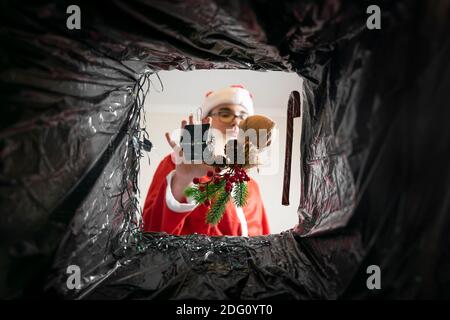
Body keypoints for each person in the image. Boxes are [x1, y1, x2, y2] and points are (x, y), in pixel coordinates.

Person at [142, 85, 270, 236]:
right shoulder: (177, 162)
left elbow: (265, 240)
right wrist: (182, 179)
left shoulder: (251, 185)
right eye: (225, 114)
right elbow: (153, 232)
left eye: (243, 116)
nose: (236, 122)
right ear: (206, 120)